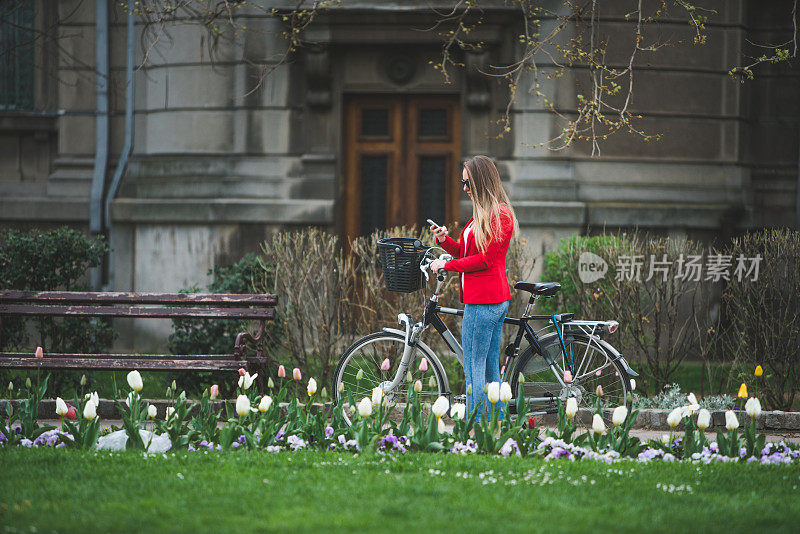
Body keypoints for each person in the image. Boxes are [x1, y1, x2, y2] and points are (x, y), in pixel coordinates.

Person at [429, 155, 519, 421]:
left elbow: (485, 261)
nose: (465, 188)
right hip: (486, 300)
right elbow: (466, 252)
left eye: (468, 182)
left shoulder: (498, 215)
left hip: (484, 302)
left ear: (482, 181)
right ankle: (497, 425)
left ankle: (476, 427)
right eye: (462, 182)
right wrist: (445, 242)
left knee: (474, 368)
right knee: (490, 368)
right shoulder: (483, 214)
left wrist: (446, 267)